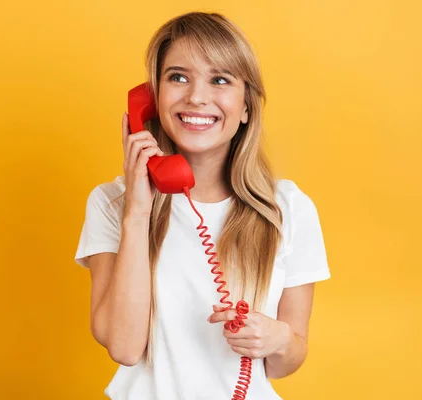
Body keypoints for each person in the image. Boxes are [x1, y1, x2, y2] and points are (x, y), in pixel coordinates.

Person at [74, 11, 331, 400]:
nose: (196, 96)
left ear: (246, 106)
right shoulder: (113, 204)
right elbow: (124, 348)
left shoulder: (287, 209)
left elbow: (287, 361)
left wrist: (277, 337)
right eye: (178, 77)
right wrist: (138, 212)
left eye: (220, 79)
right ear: (152, 99)